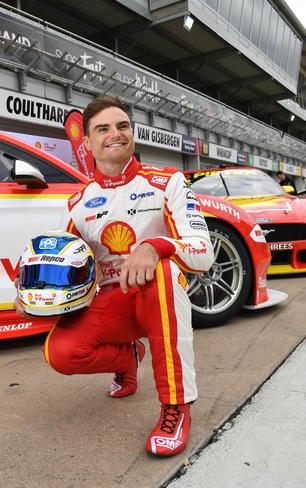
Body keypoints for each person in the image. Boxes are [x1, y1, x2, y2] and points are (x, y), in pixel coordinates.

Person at [16, 96, 215, 457]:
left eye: (122, 126)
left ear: (132, 134)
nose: (115, 134)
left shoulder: (168, 182)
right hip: (112, 305)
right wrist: (33, 295)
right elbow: (68, 267)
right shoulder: (78, 202)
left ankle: (176, 406)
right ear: (88, 143)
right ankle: (128, 358)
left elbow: (204, 251)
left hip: (159, 296)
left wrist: (155, 246)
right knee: (60, 352)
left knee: (164, 270)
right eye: (103, 129)